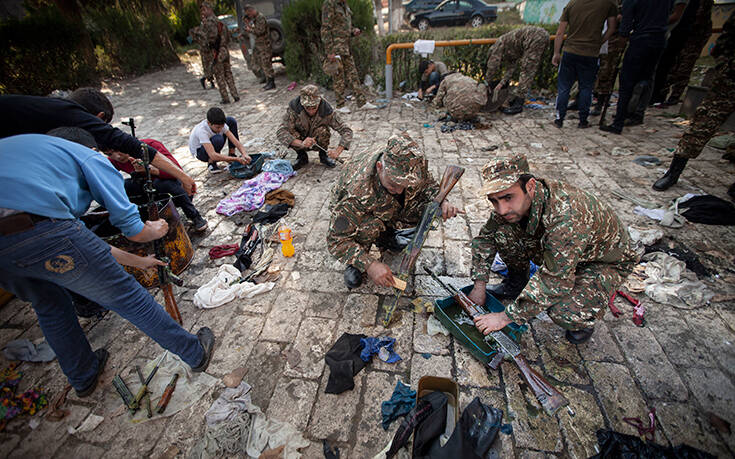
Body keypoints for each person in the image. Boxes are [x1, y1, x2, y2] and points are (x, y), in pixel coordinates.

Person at [0, 129, 215, 397]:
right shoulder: (85, 155)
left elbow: (82, 242)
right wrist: (156, 230)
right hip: (37, 229)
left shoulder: (23, 154)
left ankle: (83, 375)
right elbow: (133, 231)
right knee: (127, 297)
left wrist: (139, 261)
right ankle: (194, 352)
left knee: (48, 304)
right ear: (93, 148)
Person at [468, 155, 638, 344]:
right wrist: (479, 285)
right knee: (503, 232)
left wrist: (504, 317)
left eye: (508, 197)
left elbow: (556, 280)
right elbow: (485, 238)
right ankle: (516, 284)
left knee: (564, 311)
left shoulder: (567, 218)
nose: (501, 209)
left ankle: (583, 321)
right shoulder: (514, 206)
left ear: (530, 186)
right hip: (568, 252)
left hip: (602, 262)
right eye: (494, 201)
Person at [0, 88, 197, 196]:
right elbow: (130, 144)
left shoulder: (48, 112)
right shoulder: (70, 114)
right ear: (99, 117)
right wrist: (184, 177)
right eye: (101, 124)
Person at [327, 133, 461, 289]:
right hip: (360, 211)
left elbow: (428, 186)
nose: (399, 190)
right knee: (369, 226)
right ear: (379, 168)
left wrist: (443, 201)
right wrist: (370, 264)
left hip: (388, 207)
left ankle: (387, 236)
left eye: (405, 185)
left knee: (424, 209)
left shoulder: (412, 164)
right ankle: (358, 258)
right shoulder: (356, 192)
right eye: (394, 183)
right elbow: (336, 240)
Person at [653, 10, 735, 196]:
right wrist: (724, 65)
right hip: (729, 80)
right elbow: (725, 40)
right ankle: (674, 172)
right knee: (702, 124)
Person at [600, 0, 675, 134]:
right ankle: (636, 112)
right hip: (659, 40)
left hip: (640, 40)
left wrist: (622, 44)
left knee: (627, 83)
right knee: (647, 78)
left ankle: (619, 121)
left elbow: (625, 26)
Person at [108, 138, 209, 232]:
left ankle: (194, 216)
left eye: (119, 151)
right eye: (110, 154)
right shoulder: (113, 160)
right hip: (145, 185)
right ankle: (140, 219)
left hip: (166, 181)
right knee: (123, 186)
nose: (117, 157)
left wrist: (150, 169)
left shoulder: (151, 145)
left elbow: (176, 172)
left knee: (166, 185)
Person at [553, 0, 618, 128]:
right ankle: (583, 120)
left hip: (570, 51)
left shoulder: (572, 4)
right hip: (590, 53)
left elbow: (560, 32)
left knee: (564, 87)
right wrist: (599, 42)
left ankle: (559, 119)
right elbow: (611, 28)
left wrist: (556, 52)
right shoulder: (607, 4)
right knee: (586, 87)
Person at [276, 84, 353, 170]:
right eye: (307, 107)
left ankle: (323, 155)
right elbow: (281, 132)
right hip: (300, 139)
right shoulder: (294, 109)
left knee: (323, 131)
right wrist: (301, 143)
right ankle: (302, 156)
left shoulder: (326, 110)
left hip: (317, 138)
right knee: (290, 131)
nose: (311, 111)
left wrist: (338, 151)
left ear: (319, 102)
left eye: (314, 107)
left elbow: (346, 130)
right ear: (302, 104)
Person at [653, 0, 713, 106]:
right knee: (670, 64)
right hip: (679, 33)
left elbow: (700, 19)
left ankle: (674, 96)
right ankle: (661, 94)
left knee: (684, 66)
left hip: (694, 35)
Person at [485, 26, 550, 115]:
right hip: (541, 36)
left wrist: (487, 82)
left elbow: (493, 66)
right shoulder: (509, 49)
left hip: (535, 38)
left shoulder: (498, 46)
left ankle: (518, 103)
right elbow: (511, 68)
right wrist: (501, 83)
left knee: (527, 70)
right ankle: (518, 98)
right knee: (529, 70)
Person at [321, 0, 367, 110]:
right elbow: (325, 29)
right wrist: (329, 51)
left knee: (353, 74)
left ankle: (362, 102)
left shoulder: (344, 5)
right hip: (336, 48)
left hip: (345, 47)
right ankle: (340, 105)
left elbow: (343, 26)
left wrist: (352, 31)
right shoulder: (329, 4)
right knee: (339, 77)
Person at [189, 107, 251, 173]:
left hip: (213, 142)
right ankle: (211, 163)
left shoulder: (221, 125)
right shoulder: (202, 131)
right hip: (201, 152)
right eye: (218, 127)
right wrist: (236, 159)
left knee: (231, 120)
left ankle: (231, 154)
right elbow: (213, 155)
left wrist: (244, 154)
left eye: (222, 126)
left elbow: (235, 141)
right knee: (218, 138)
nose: (220, 129)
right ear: (209, 123)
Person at [590, 0, 625, 116]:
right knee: (588, 69)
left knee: (606, 72)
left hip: (611, 41)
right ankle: (582, 98)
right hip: (595, 36)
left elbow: (621, 19)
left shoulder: (620, 4)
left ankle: (600, 102)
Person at [200, 1, 240, 104]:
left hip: (216, 52)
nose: (203, 12)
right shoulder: (220, 22)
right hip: (224, 50)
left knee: (220, 75)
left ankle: (225, 98)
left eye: (204, 10)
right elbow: (227, 37)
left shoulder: (210, 23)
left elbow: (210, 39)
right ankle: (235, 94)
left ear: (209, 9)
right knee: (228, 73)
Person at [243, 4, 275, 90]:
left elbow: (260, 31)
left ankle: (271, 82)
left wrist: (250, 30)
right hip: (260, 45)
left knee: (267, 64)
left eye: (249, 14)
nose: (249, 16)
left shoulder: (260, 18)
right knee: (263, 63)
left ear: (251, 11)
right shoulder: (256, 19)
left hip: (264, 44)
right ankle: (268, 81)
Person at [189, 23, 216, 90]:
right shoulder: (196, 30)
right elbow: (193, 38)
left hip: (209, 49)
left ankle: (209, 80)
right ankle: (206, 80)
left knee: (211, 66)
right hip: (204, 51)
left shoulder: (204, 28)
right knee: (208, 67)